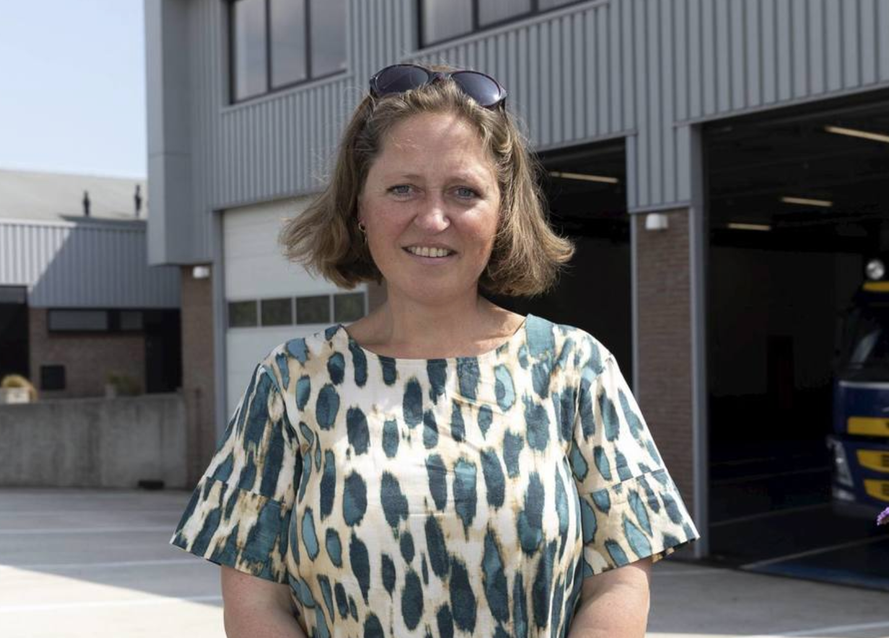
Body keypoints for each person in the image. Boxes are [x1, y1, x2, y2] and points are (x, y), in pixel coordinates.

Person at [170, 63, 699, 638]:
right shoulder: (292, 382)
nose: (433, 218)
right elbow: (255, 605)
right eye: (403, 188)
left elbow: (619, 581)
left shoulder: (575, 370)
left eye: (464, 191)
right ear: (360, 209)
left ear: (501, 213)